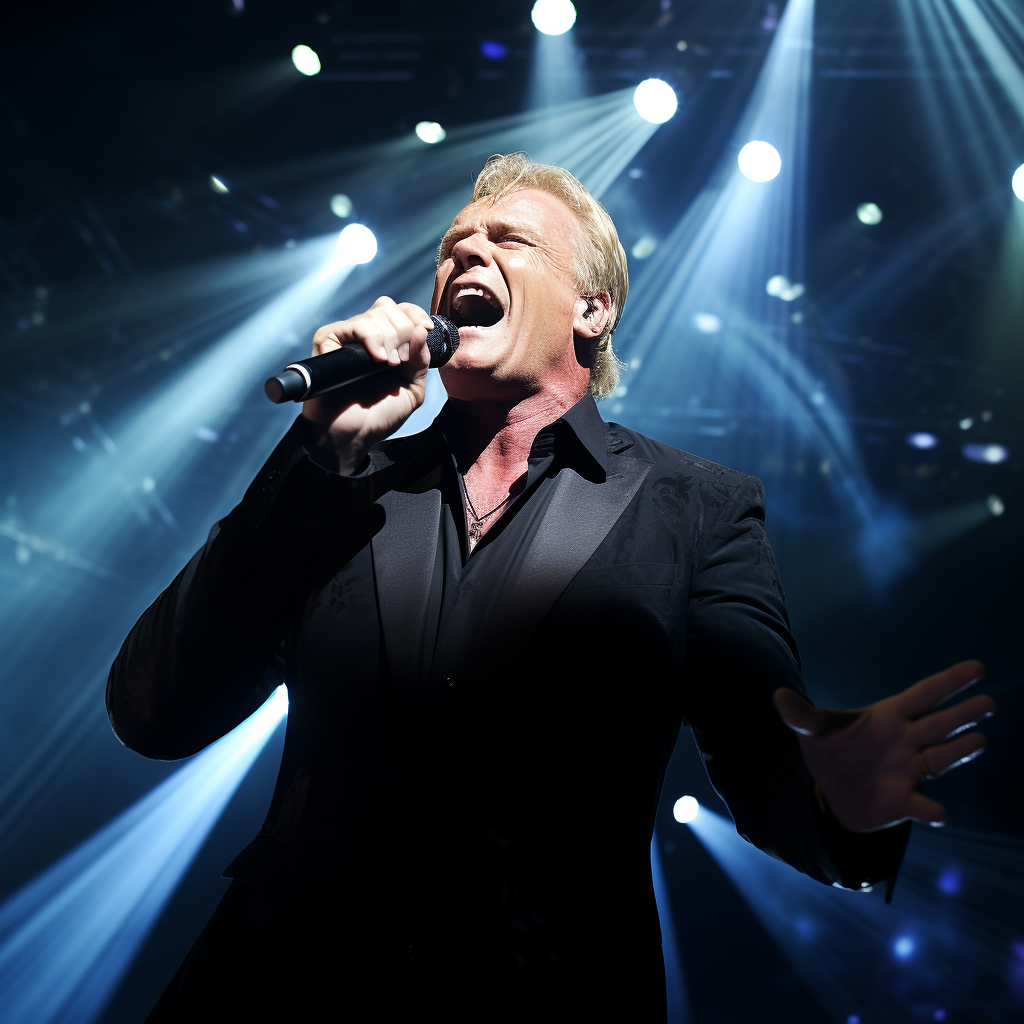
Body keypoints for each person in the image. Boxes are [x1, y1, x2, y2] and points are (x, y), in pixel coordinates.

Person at [107, 153, 995, 1023]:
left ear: (594, 309)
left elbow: (767, 764)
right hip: (280, 985)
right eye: (455, 242)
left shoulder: (697, 509)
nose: (466, 254)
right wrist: (318, 452)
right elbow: (157, 711)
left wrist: (843, 807)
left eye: (510, 240)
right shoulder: (346, 484)